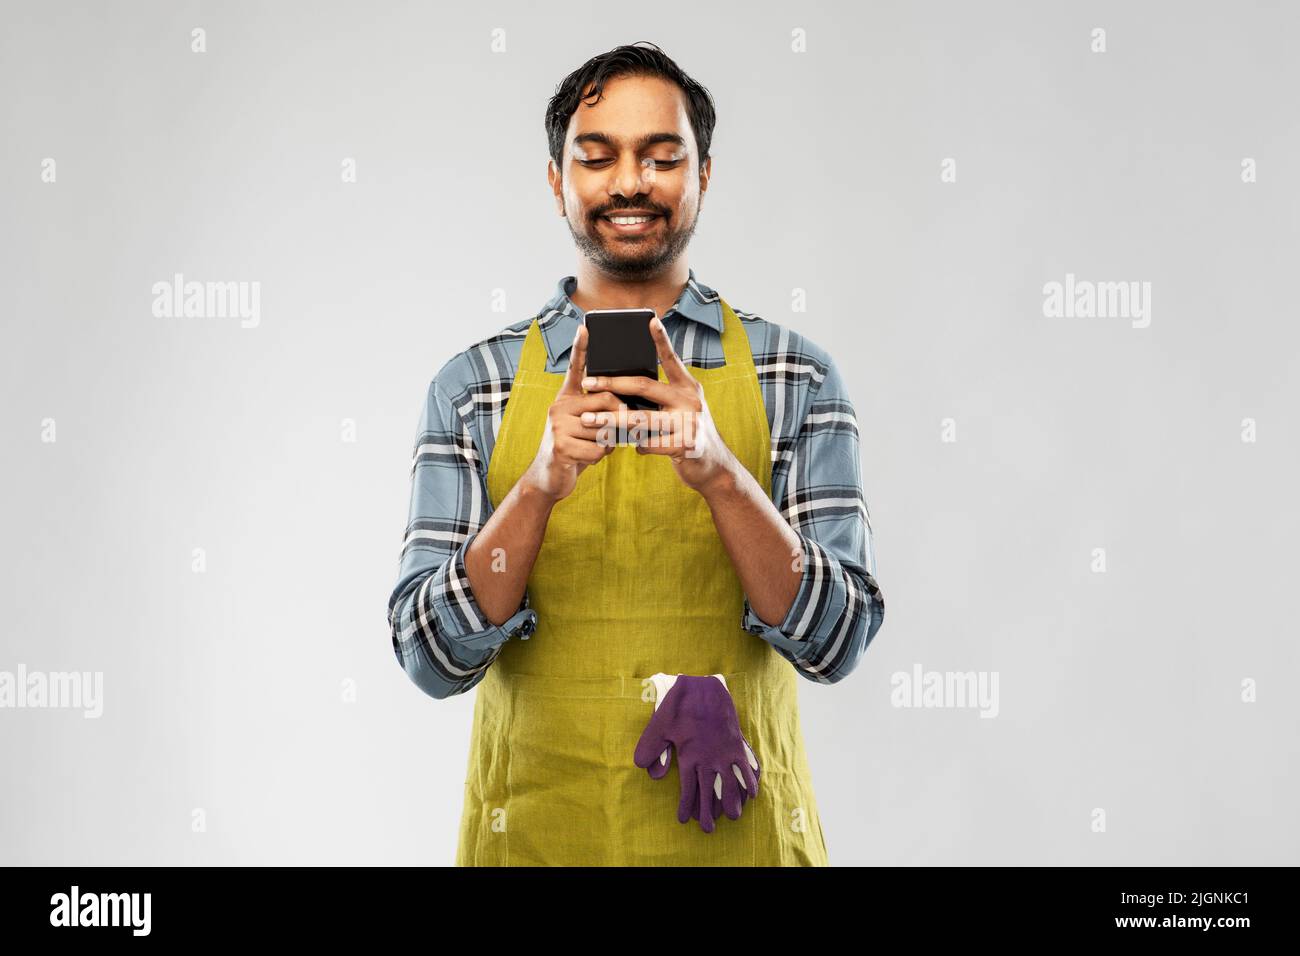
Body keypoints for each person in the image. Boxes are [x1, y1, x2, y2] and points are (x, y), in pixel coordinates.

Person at [387, 41, 884, 866]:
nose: (629, 183)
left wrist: (725, 477)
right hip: (539, 842)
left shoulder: (792, 375)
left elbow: (838, 643)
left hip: (740, 846)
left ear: (703, 174)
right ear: (557, 181)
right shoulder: (475, 388)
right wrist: (539, 488)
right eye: (596, 157)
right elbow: (429, 657)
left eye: (662, 157)